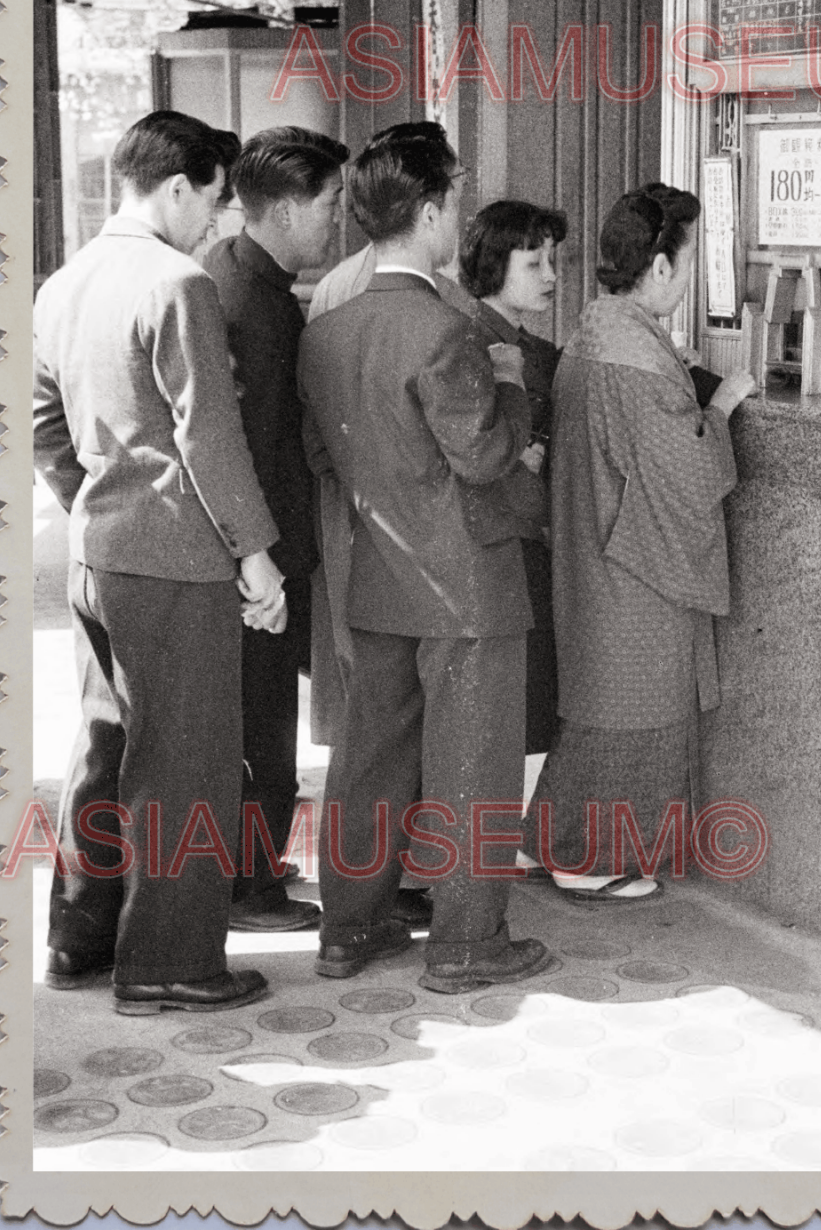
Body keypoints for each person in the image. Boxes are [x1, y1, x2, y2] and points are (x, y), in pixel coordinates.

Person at [33, 110, 286, 1014]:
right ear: (178, 187)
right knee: (187, 764)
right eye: (216, 202)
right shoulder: (176, 283)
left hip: (98, 557)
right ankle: (168, 963)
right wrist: (255, 556)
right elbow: (209, 440)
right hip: (178, 564)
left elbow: (40, 423)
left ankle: (78, 936)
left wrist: (99, 501)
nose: (218, 222)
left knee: (106, 745)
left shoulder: (62, 283)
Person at [299, 121, 552, 993]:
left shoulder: (328, 328)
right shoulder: (447, 332)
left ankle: (348, 929)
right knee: (473, 763)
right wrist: (514, 387)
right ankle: (468, 942)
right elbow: (483, 456)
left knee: (369, 758)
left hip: (374, 573)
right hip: (468, 583)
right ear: (434, 211)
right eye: (454, 204)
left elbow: (323, 457)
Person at [526, 184, 755, 901]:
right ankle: (595, 860)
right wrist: (717, 409)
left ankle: (553, 843)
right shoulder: (637, 356)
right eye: (689, 262)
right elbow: (687, 475)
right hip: (634, 564)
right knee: (639, 709)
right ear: (660, 268)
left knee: (597, 710)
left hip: (594, 547)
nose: (689, 279)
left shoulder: (600, 330)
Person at [202, 127, 348, 932]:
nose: (337, 219)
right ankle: (250, 885)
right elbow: (238, 450)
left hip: (264, 548)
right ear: (289, 209)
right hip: (256, 557)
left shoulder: (241, 275)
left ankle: (254, 866)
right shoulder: (246, 302)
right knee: (262, 722)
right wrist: (258, 564)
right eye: (329, 203)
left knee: (263, 716)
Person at [458, 200, 568, 754]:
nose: (551, 276)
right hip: (498, 551)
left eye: (554, 262)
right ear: (493, 264)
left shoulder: (539, 351)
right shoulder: (468, 342)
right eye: (534, 264)